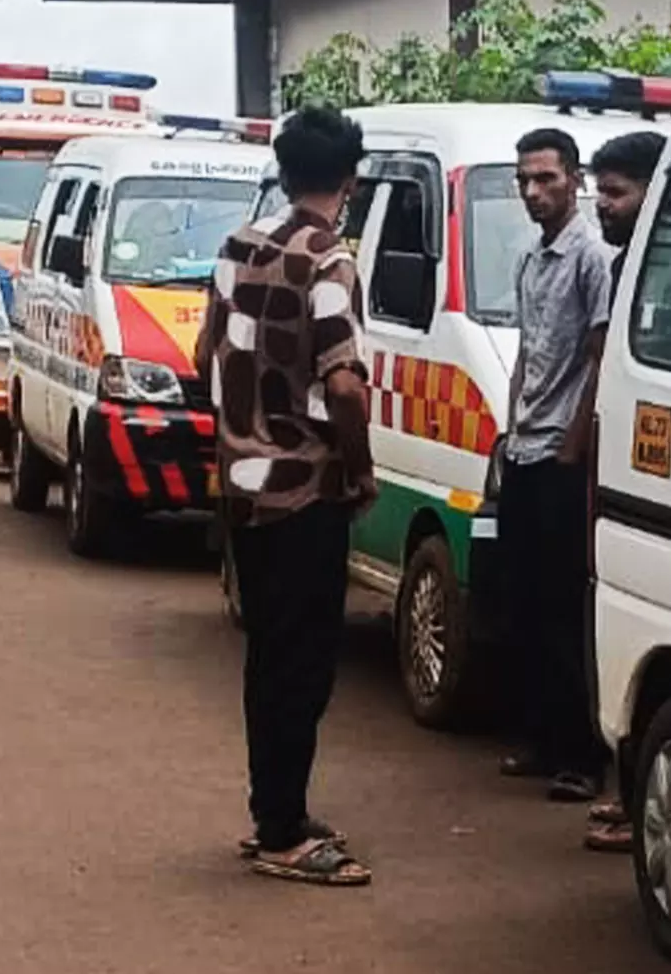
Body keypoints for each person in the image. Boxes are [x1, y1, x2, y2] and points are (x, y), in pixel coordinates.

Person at [194, 107, 377, 888]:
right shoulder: (329, 263)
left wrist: (240, 430)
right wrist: (357, 465)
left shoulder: (238, 250)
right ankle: (281, 832)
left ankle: (278, 808)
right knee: (303, 665)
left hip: (243, 490)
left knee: (268, 657)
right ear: (350, 179)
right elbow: (344, 384)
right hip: (305, 490)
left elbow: (204, 352)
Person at [498, 128, 617, 804]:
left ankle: (579, 754)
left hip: (561, 456)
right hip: (524, 445)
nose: (533, 191)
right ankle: (542, 739)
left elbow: (598, 361)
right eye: (524, 180)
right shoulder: (531, 261)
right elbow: (528, 354)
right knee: (526, 604)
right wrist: (511, 424)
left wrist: (574, 448)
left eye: (545, 178)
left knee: (564, 609)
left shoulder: (591, 259)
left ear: (574, 179)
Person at [575, 131, 666, 852]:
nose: (602, 207)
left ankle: (635, 799)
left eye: (615, 193)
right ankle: (626, 791)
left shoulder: (662, 264)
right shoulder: (630, 262)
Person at [595, 131, 668, 293]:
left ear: (654, 193)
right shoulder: (627, 265)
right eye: (600, 191)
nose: (601, 203)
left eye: (615, 193)